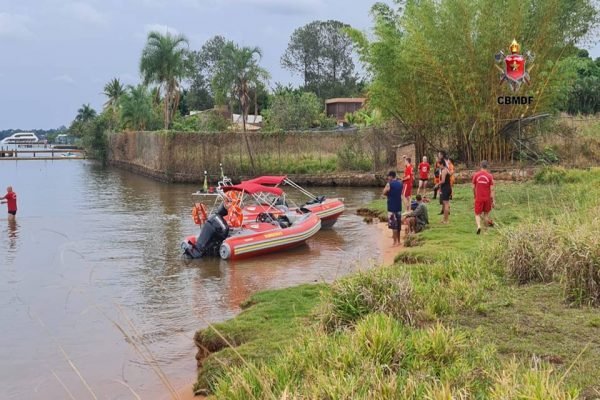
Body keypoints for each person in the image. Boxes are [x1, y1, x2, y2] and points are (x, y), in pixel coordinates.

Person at [472, 160, 495, 234]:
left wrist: (474, 196)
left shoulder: (476, 175)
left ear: (480, 166)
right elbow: (492, 189)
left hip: (479, 197)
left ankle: (479, 226)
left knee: (477, 214)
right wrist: (493, 200)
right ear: (487, 166)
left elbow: (473, 187)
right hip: (487, 198)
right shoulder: (490, 176)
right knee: (486, 214)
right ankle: (486, 231)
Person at [382, 171, 403, 246]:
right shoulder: (400, 183)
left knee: (394, 225)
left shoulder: (389, 184)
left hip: (391, 207)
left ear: (391, 176)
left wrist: (387, 189)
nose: (388, 178)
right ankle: (399, 241)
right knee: (399, 225)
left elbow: (384, 192)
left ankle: (395, 242)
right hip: (399, 206)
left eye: (388, 176)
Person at [438, 156, 452, 224]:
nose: (439, 167)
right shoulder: (447, 169)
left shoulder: (443, 171)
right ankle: (444, 219)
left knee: (446, 204)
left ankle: (446, 221)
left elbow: (443, 181)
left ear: (442, 164)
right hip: (448, 188)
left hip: (445, 188)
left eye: (439, 165)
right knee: (446, 204)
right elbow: (450, 174)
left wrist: (437, 184)